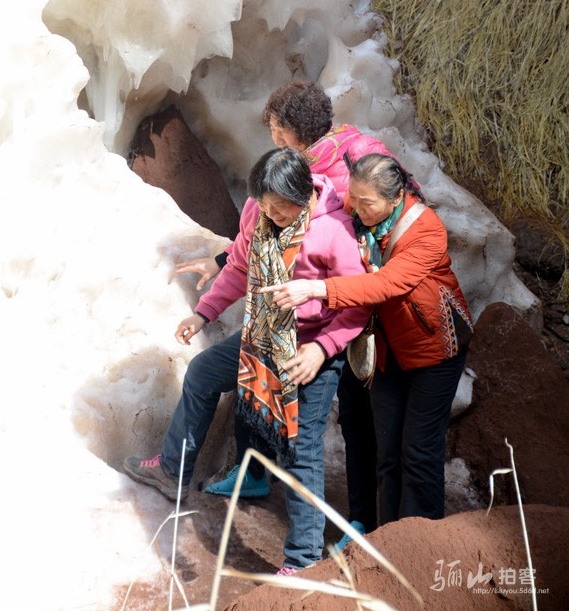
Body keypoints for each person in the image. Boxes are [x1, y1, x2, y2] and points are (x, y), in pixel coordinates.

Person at [123, 148, 369, 573]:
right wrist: (203, 314)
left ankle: (303, 558)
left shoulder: (335, 232)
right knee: (202, 373)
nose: (269, 215)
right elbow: (240, 267)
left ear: (303, 196)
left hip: (311, 349)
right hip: (263, 335)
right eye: (264, 205)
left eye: (278, 208)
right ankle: (172, 470)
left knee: (301, 450)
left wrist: (323, 349)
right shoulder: (259, 211)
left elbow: (359, 305)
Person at [176, 80, 394, 543]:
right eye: (264, 207)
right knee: (232, 386)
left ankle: (331, 538)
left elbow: (360, 293)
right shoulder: (270, 201)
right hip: (270, 330)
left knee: (317, 439)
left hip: (327, 330)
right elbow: (245, 257)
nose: (274, 137)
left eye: (279, 129)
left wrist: (323, 348)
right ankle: (243, 473)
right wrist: (207, 304)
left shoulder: (336, 207)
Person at [262, 153, 473, 525]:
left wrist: (316, 288)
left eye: (367, 203)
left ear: (396, 197)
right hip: (386, 350)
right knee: (388, 451)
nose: (356, 209)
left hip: (434, 349)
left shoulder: (426, 229)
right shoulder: (356, 209)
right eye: (353, 198)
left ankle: (419, 541)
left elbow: (386, 284)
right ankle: (389, 537)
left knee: (418, 452)